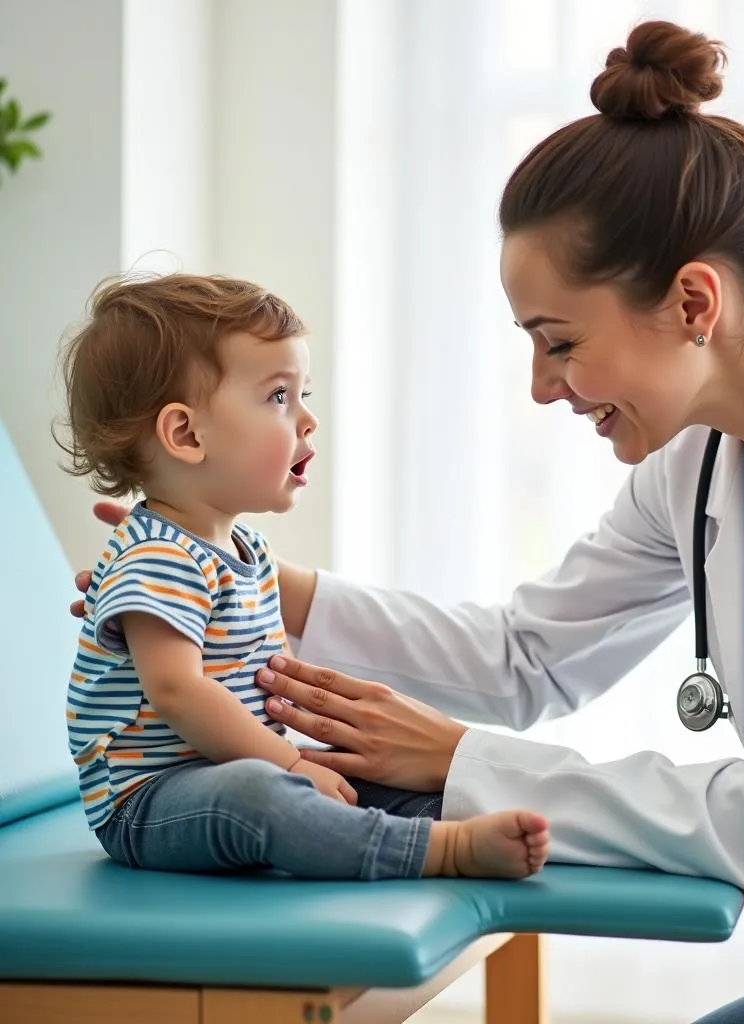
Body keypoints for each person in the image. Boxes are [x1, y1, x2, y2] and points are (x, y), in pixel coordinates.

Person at [71, 20, 744, 1024]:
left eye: (558, 341)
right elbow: (528, 656)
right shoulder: (701, 458)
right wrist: (227, 571)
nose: (539, 386)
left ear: (694, 300)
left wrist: (463, 763)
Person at [57, 272, 549, 883]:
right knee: (264, 796)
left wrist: (307, 762)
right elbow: (177, 693)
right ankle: (437, 850)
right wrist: (290, 763)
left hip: (240, 768)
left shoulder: (248, 551)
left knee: (366, 773)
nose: (308, 420)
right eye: (278, 397)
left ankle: (436, 821)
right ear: (186, 434)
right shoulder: (157, 557)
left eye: (301, 393)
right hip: (149, 801)